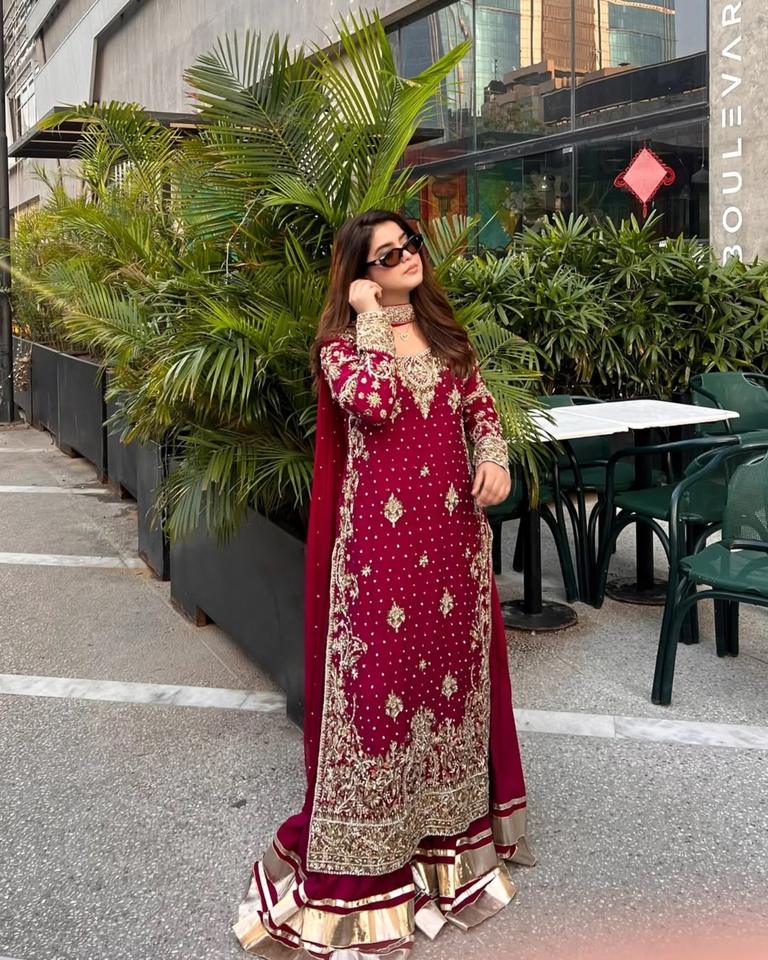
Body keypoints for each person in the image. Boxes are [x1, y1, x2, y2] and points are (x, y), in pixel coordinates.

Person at [234, 209, 534, 958]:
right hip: (380, 558)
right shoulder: (342, 349)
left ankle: (446, 853)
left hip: (454, 546)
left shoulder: (448, 337)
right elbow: (375, 402)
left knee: (447, 695)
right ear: (360, 274)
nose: (407, 259)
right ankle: (368, 871)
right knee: (379, 700)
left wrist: (493, 458)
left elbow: (481, 412)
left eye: (410, 245)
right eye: (387, 254)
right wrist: (370, 318)